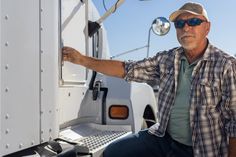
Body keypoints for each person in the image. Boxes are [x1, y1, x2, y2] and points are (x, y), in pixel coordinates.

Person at [63, 2, 236, 157]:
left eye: (193, 22)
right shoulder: (168, 59)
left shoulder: (226, 65)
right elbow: (127, 69)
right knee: (113, 153)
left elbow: (234, 121)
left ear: (207, 28)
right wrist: (81, 60)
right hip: (163, 138)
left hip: (202, 150)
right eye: (180, 23)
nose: (186, 28)